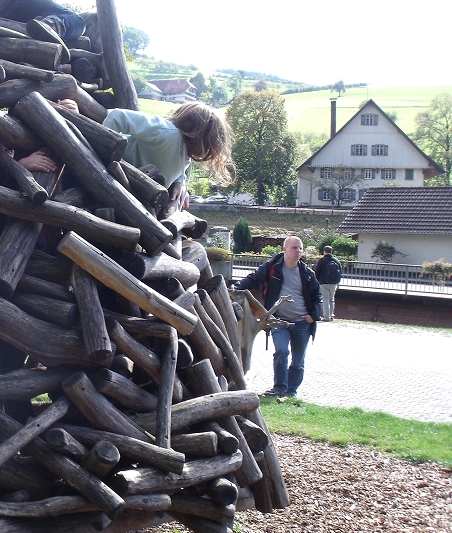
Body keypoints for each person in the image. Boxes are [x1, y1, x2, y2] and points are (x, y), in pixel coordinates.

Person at [102, 101, 234, 211]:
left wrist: (179, 182)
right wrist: (103, 154)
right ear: (196, 136)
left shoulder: (186, 151)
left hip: (137, 196)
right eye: (210, 143)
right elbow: (117, 117)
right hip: (114, 179)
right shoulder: (166, 132)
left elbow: (177, 163)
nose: (211, 149)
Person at [234, 236, 322, 399]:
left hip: (302, 322)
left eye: (300, 248)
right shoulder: (272, 268)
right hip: (278, 320)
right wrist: (235, 288)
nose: (297, 251)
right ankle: (279, 387)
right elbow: (253, 278)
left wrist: (313, 316)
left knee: (298, 360)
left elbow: (317, 296)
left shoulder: (307, 273)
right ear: (285, 249)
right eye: (294, 247)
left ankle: (291, 391)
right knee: (281, 351)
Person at [313, 245, 342, 321]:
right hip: (334, 283)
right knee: (331, 299)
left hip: (323, 282)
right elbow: (340, 272)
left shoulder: (322, 260)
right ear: (331, 251)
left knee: (325, 299)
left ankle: (326, 317)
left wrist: (316, 281)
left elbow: (317, 272)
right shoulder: (336, 260)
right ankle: (331, 315)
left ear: (324, 251)